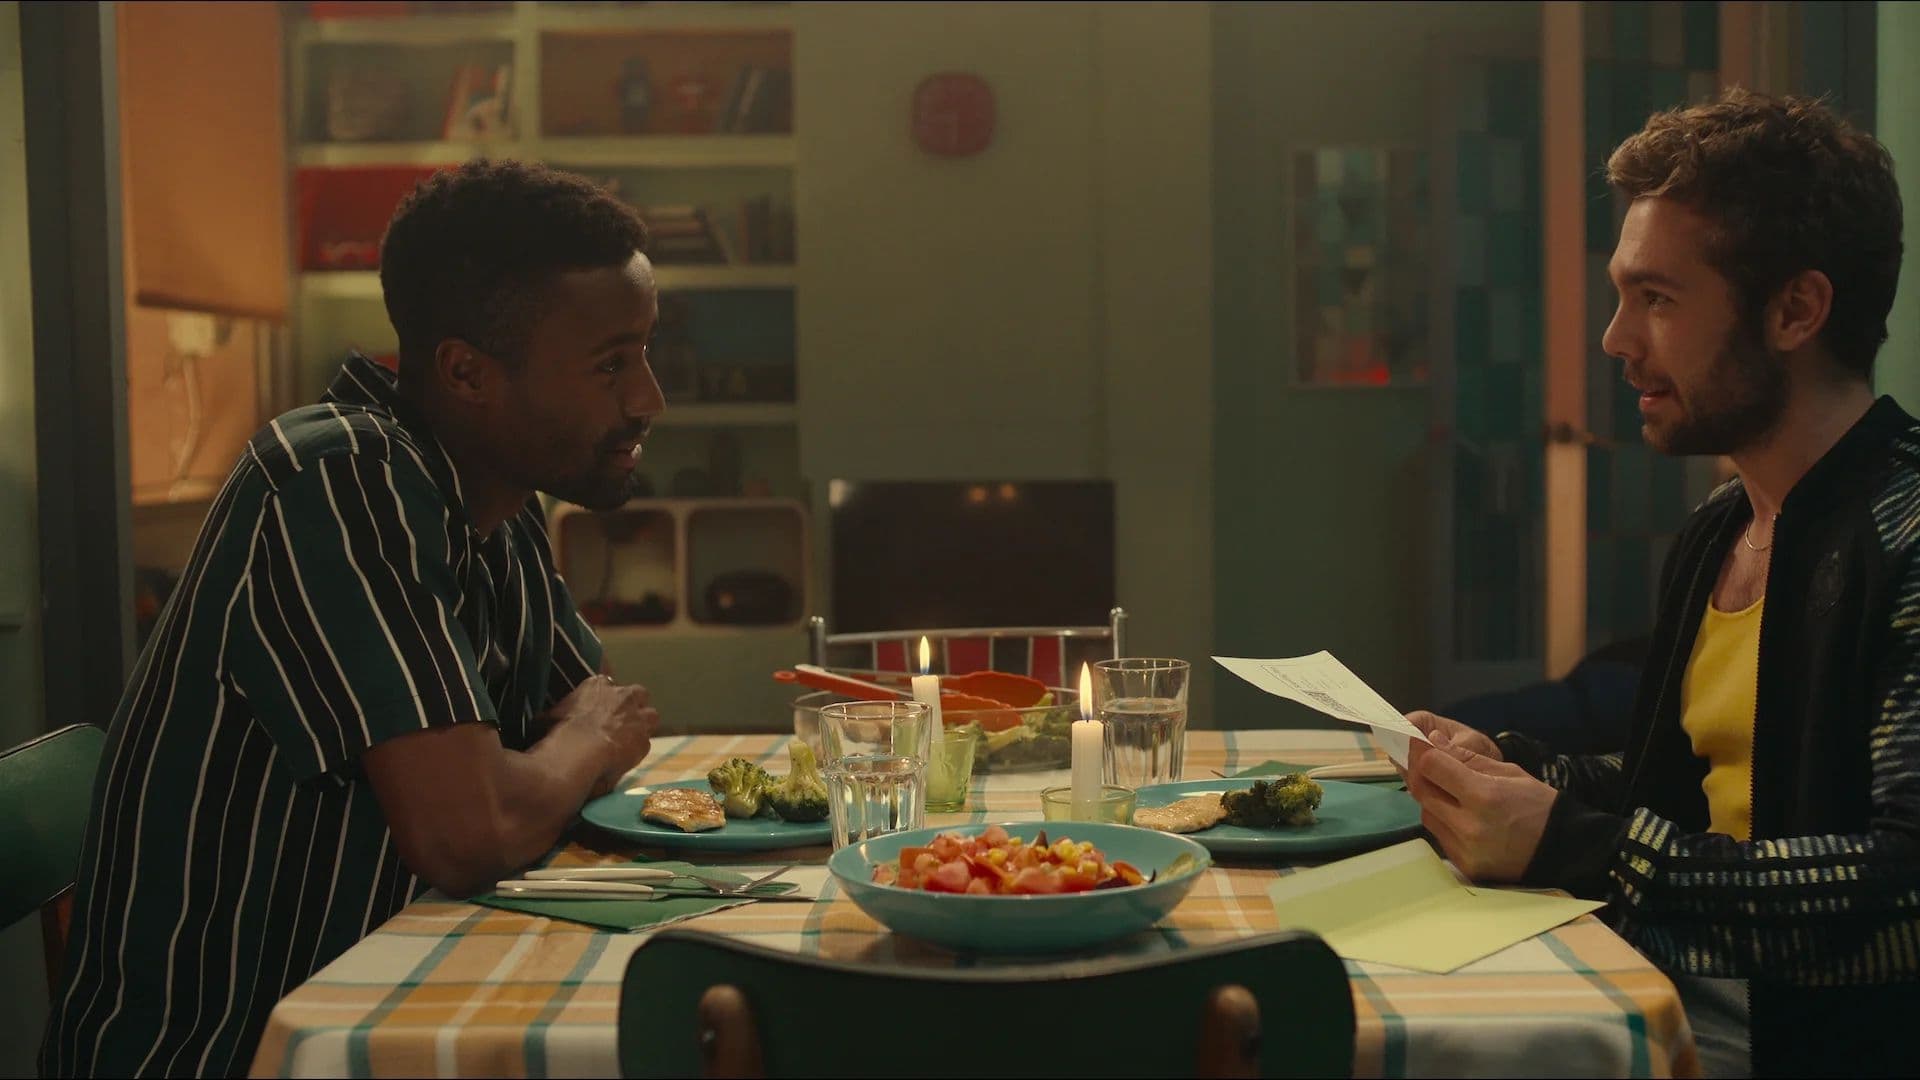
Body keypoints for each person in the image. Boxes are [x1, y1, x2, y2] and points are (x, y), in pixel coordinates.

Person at [39, 160, 666, 1078]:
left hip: (397, 1002)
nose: (648, 398)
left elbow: (603, 721)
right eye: (611, 364)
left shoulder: (499, 499)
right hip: (233, 1055)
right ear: (467, 372)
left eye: (644, 353)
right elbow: (476, 830)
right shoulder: (337, 479)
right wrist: (576, 747)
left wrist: (570, 749)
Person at [1401, 89, 1920, 1079]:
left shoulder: (1908, 534)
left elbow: (1905, 897)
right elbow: (1695, 803)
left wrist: (1573, 846)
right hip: (1668, 990)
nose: (1615, 339)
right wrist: (1518, 774)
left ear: (1796, 310)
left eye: (1658, 298)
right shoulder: (1721, 529)